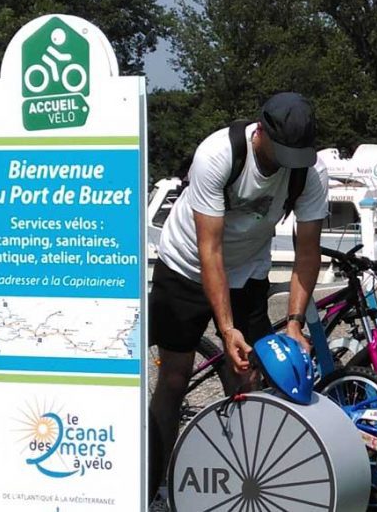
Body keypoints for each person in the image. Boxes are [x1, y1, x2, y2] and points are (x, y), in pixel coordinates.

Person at [149, 92, 329, 489]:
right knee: (175, 377)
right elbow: (209, 250)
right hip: (186, 266)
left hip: (247, 270)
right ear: (260, 129)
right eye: (282, 151)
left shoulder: (309, 171)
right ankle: (155, 484)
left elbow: (307, 252)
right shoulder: (217, 154)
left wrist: (296, 323)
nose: (287, 163)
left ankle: (250, 481)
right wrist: (227, 329)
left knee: (251, 374)